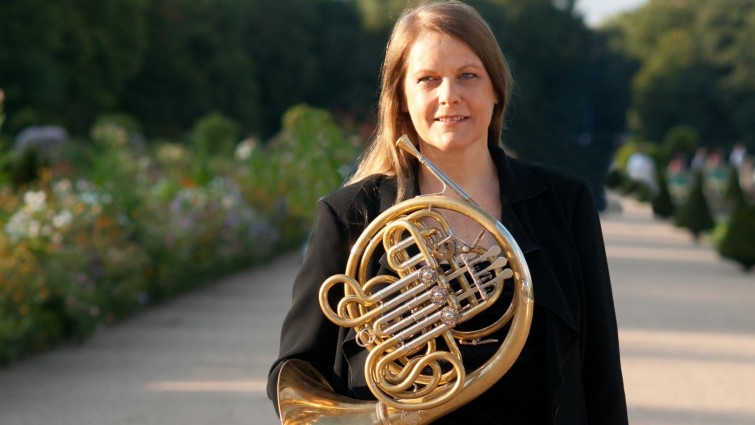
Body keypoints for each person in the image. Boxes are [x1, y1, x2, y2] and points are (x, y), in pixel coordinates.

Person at [267, 1, 628, 423]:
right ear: (401, 98)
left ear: (496, 89)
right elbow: (298, 371)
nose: (449, 95)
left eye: (468, 76)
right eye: (428, 79)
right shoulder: (350, 216)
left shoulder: (566, 204)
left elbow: (600, 370)